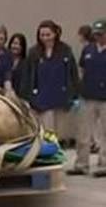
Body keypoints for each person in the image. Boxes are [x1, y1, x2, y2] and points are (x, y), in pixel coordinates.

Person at [19, 20, 79, 136]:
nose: (45, 38)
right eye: (42, 35)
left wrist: (74, 94)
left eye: (48, 35)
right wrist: (26, 97)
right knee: (46, 134)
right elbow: (27, 76)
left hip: (61, 99)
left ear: (55, 34)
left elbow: (73, 73)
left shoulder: (66, 50)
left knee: (60, 134)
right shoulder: (33, 52)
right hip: (41, 100)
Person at [73, 19, 106, 176]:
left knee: (104, 133)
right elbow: (81, 70)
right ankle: (81, 164)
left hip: (105, 98)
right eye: (96, 34)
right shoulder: (88, 50)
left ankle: (104, 164)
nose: (98, 37)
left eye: (101, 34)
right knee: (83, 133)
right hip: (88, 96)